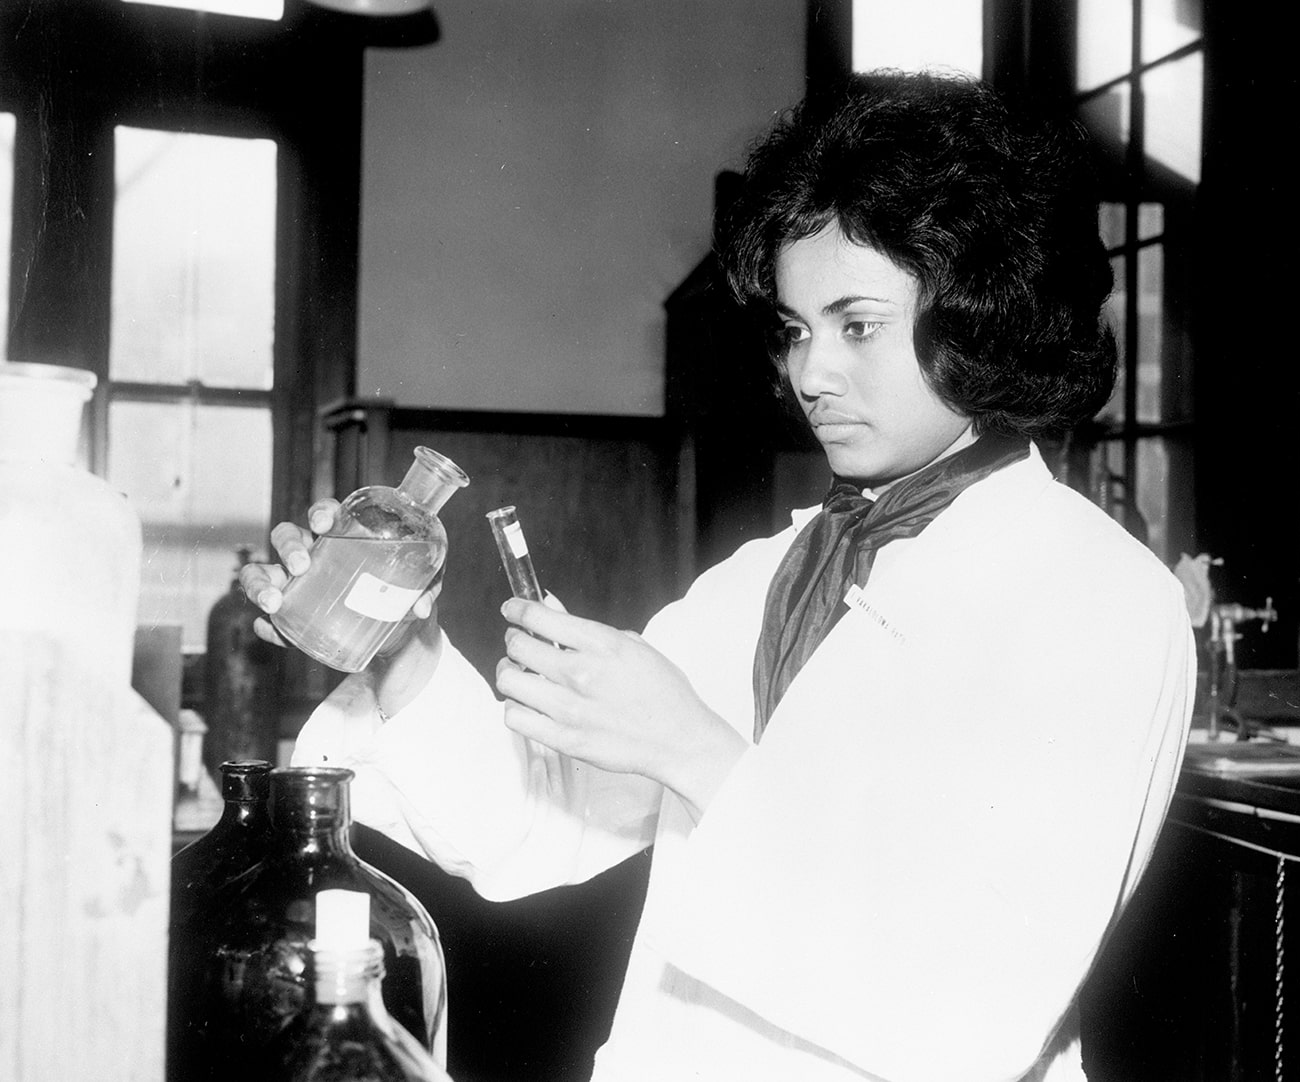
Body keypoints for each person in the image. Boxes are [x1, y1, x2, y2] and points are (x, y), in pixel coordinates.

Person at [244, 70, 1195, 1082]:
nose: (811, 373)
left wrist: (695, 750)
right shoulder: (765, 578)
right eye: (795, 329)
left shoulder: (1100, 602)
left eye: (856, 324)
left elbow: (972, 1011)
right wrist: (397, 649)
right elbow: (527, 825)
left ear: (980, 313)